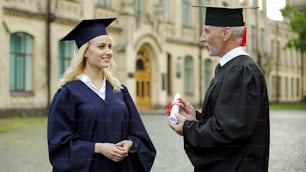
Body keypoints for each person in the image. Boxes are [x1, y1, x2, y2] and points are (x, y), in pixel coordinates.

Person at [168, 6, 270, 172]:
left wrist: (187, 127)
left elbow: (229, 131)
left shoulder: (241, 71)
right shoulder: (231, 68)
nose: (202, 38)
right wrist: (196, 118)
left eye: (207, 31)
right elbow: (231, 120)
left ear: (225, 33)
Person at [47, 18, 156, 172]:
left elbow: (140, 136)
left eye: (110, 47)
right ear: (85, 51)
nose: (108, 52)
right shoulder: (68, 93)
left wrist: (131, 144)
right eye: (101, 47)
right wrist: (97, 148)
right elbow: (59, 146)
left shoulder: (119, 91)